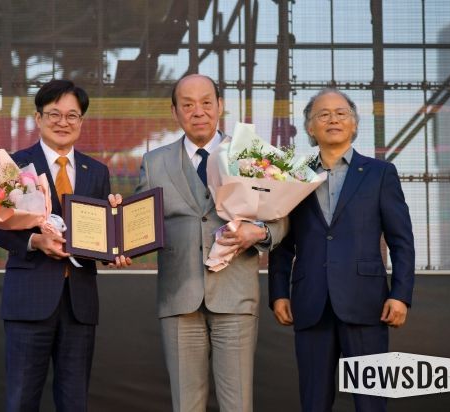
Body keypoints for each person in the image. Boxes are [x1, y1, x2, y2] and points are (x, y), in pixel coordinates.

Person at [136, 74, 288, 412]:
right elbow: (139, 221)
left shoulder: (251, 156)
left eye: (206, 102)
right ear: (174, 111)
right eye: (187, 105)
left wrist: (258, 232)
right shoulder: (154, 162)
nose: (198, 111)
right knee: (186, 405)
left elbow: (280, 217)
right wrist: (119, 237)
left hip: (235, 296)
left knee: (237, 404)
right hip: (179, 298)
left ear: (220, 105)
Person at [0, 79, 131, 412]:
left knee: (74, 402)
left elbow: (101, 234)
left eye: (72, 115)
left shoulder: (96, 171)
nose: (63, 122)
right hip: (28, 301)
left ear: (81, 121)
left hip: (79, 305)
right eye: (54, 114)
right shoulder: (14, 164)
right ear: (38, 118)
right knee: (21, 400)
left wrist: (116, 249)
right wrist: (35, 240)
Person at [268, 88, 415, 412]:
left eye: (341, 113)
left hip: (367, 304)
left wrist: (401, 295)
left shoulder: (380, 173)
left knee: (371, 403)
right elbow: (282, 241)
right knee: (314, 403)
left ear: (354, 123)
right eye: (323, 114)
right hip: (311, 304)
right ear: (310, 127)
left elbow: (401, 240)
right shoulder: (293, 176)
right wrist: (278, 292)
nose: (332, 119)